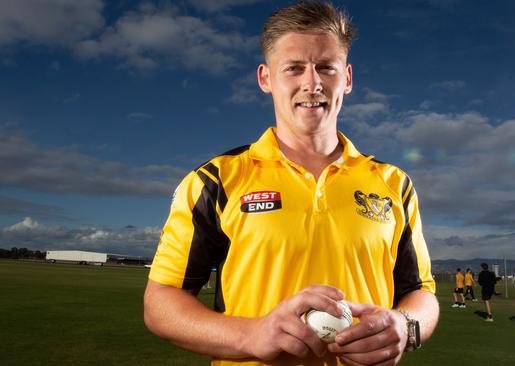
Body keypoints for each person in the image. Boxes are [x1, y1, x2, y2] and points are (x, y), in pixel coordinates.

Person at [142, 2, 439, 366]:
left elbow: (421, 293)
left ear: (346, 78)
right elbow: (160, 303)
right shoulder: (216, 180)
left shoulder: (394, 184)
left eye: (326, 68)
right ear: (266, 78)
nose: (311, 83)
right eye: (294, 68)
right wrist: (250, 335)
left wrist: (406, 325)